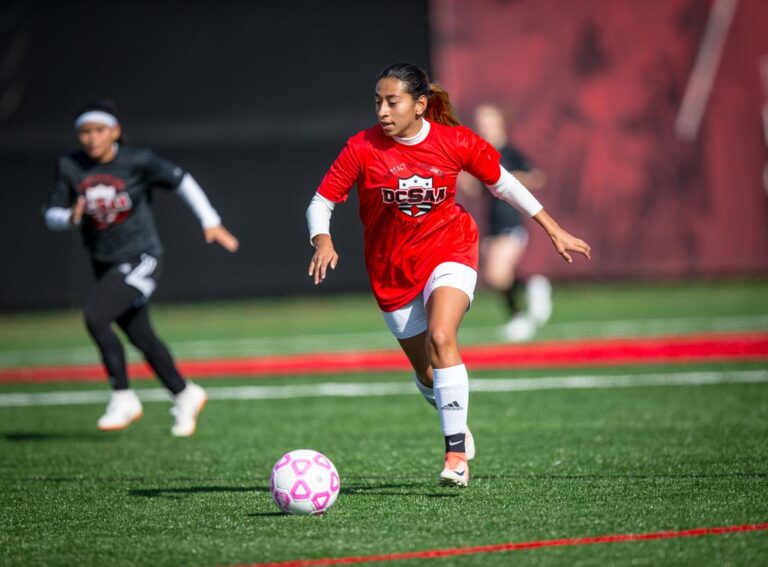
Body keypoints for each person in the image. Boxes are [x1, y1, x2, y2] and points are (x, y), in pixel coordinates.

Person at [306, 63, 591, 487]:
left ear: (420, 105)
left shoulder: (455, 141)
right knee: (426, 373)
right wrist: (322, 240)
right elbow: (321, 201)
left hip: (450, 248)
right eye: (378, 102)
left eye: (392, 101)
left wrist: (553, 229)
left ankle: (455, 453)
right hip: (391, 269)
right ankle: (452, 412)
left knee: (442, 337)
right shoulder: (362, 148)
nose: (382, 111)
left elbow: (505, 184)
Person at [43, 100, 239, 436]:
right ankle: (184, 392)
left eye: (99, 130)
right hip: (102, 261)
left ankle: (123, 395)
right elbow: (51, 213)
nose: (91, 138)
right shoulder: (71, 165)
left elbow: (182, 181)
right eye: (85, 132)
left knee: (95, 317)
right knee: (141, 335)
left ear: (116, 131)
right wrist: (69, 217)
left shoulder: (138, 160)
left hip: (141, 257)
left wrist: (211, 221)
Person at [463, 104, 551, 342]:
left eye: (488, 122)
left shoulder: (509, 152)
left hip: (511, 221)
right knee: (495, 277)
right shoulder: (481, 154)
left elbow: (536, 177)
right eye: (480, 123)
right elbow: (474, 191)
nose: (483, 127)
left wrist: (508, 179)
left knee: (497, 275)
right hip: (492, 223)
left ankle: (527, 300)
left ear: (500, 124)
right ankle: (521, 309)